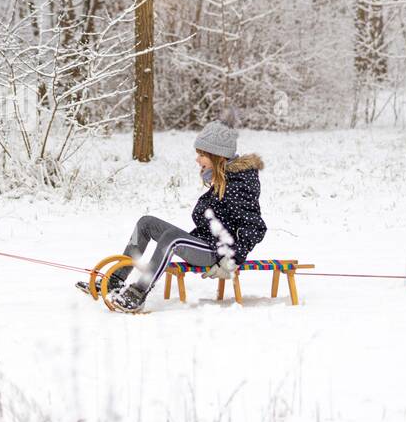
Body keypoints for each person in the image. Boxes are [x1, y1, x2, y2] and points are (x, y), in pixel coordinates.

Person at [79, 111, 267, 311]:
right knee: (146, 223)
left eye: (202, 154)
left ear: (218, 157)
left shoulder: (238, 185)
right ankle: (116, 280)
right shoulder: (222, 181)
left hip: (216, 252)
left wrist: (232, 260)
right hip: (204, 242)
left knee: (173, 238)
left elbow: (255, 227)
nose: (197, 159)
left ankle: (138, 293)